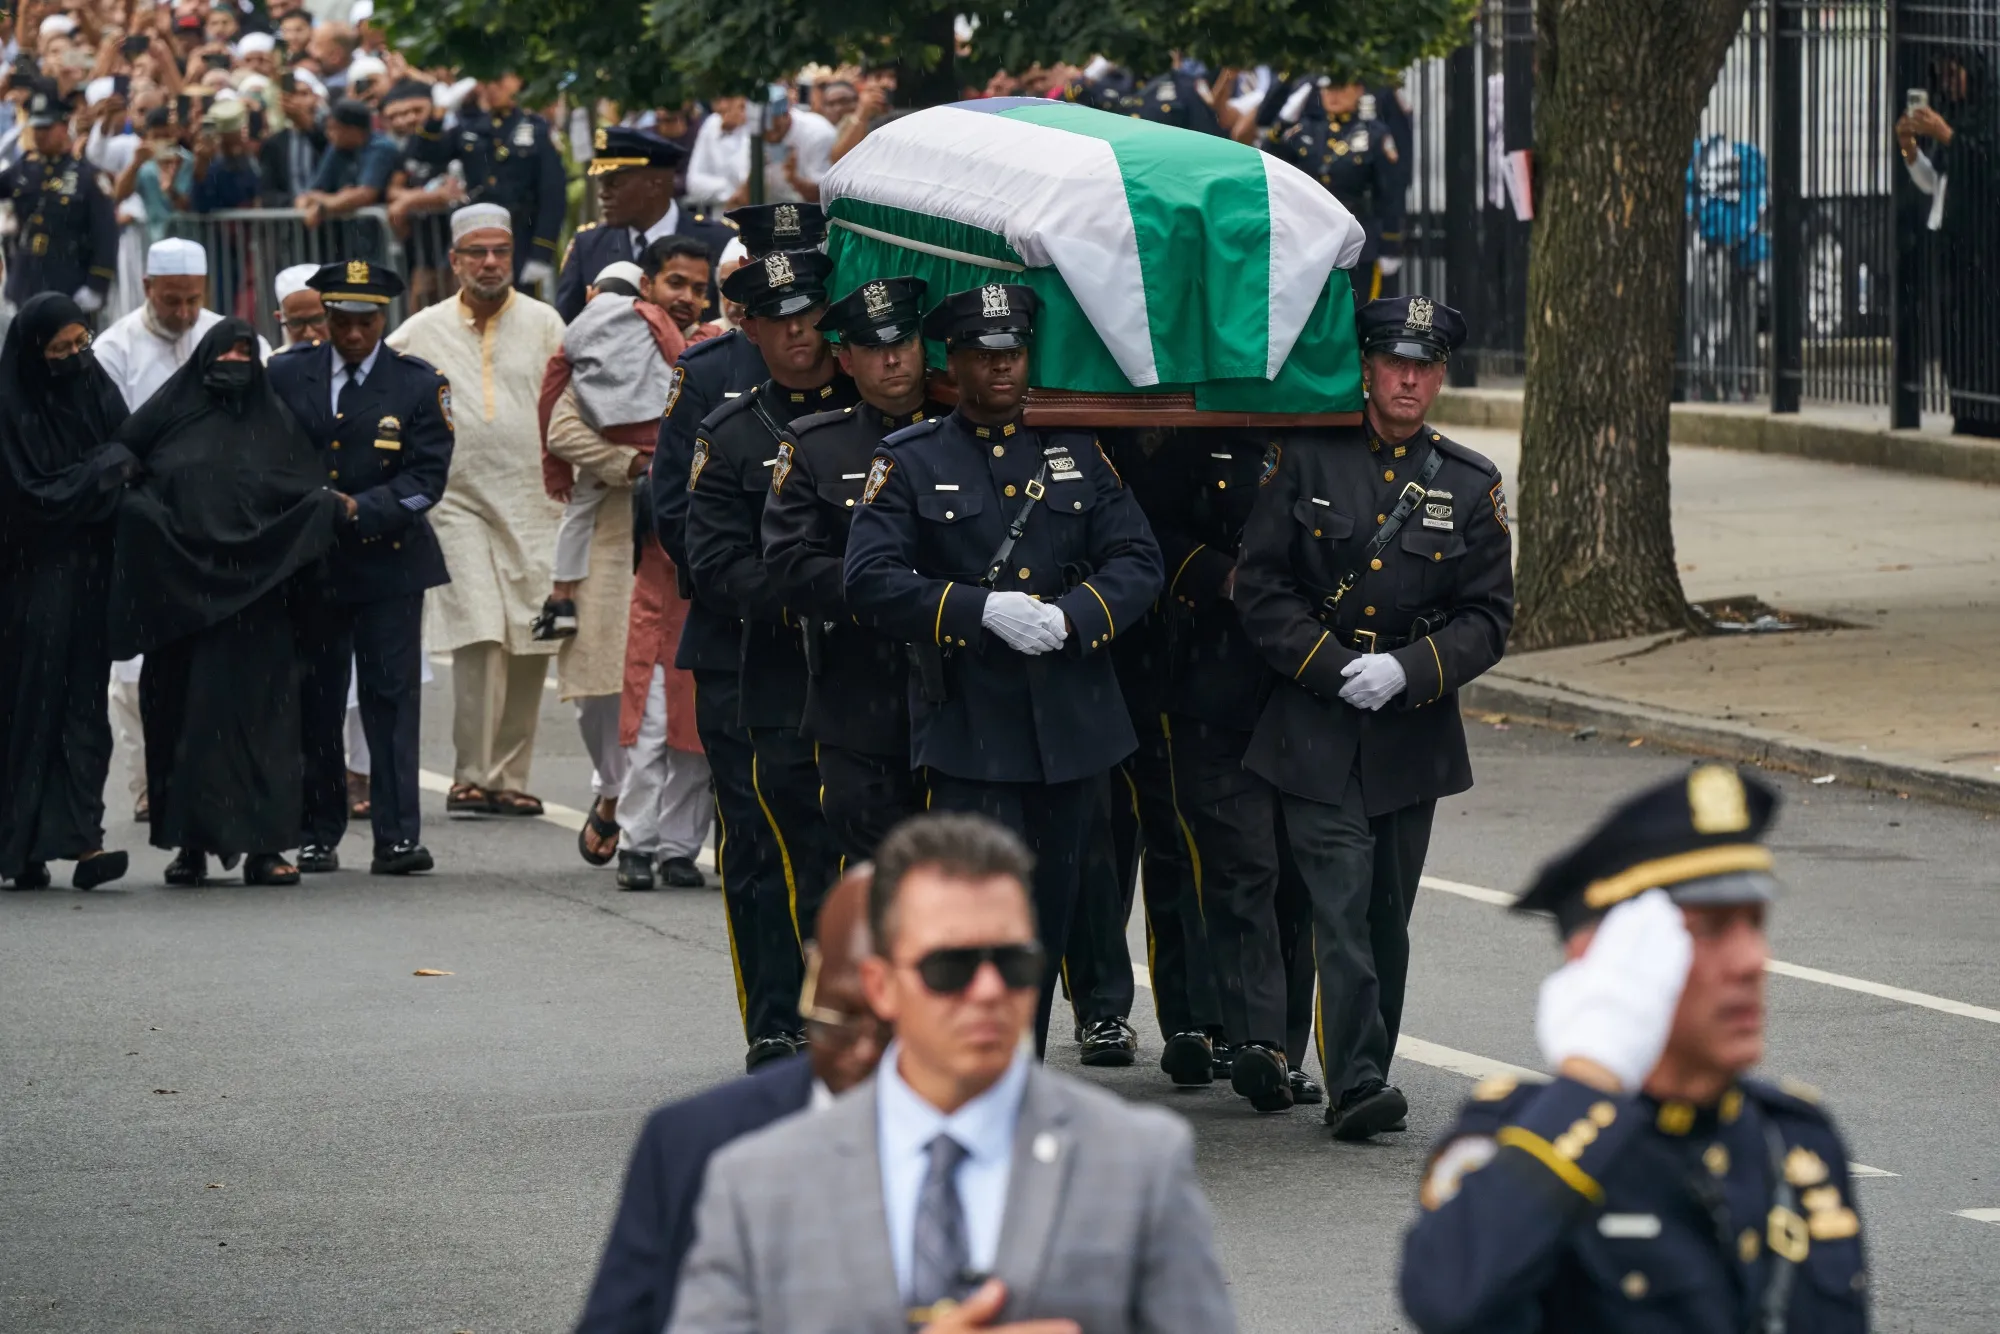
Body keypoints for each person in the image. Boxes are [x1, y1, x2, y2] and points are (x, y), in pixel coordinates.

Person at [669, 812, 1237, 1334]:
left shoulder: (1139, 1164)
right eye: (950, 967)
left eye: (1014, 963)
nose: (989, 991)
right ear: (880, 987)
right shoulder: (758, 1186)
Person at [1400, 766, 1868, 1332]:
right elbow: (1446, 1298)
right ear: (1610, 961)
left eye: (1755, 923)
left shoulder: (1793, 1138)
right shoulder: (1517, 1142)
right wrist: (1592, 1078)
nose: (1751, 960)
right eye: (1711, 929)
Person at [843, 284, 1165, 1056]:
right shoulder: (912, 459)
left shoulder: (1076, 452)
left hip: (1071, 724)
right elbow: (869, 578)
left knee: (1049, 909)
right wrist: (976, 611)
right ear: (955, 362)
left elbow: (1138, 560)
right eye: (985, 357)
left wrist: (1074, 615)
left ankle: (1019, 1061)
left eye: (1013, 355)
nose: (1001, 372)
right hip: (971, 725)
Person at [1232, 294, 1513, 1139]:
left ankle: (1363, 1067)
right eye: (1396, 362)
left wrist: (1407, 671)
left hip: (1409, 730)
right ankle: (1354, 1083)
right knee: (1340, 900)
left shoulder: (1469, 483)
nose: (1409, 379)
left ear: (1441, 378)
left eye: (1425, 367)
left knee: (1387, 913)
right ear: (1366, 368)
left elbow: (1488, 617)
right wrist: (1331, 665)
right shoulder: (1306, 461)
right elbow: (1262, 587)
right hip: (1314, 721)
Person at [575, 864, 888, 1334]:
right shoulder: (693, 1144)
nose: (865, 1046)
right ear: (818, 978)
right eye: (843, 1012)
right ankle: (770, 1026)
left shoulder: (1036, 1135)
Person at [685, 248, 854, 1067]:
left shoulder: (871, 412)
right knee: (764, 846)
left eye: (812, 316)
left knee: (856, 841)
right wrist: (814, 596)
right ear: (750, 329)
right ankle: (778, 1018)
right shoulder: (731, 430)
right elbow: (708, 560)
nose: (800, 335)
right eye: (780, 321)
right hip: (766, 659)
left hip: (864, 665)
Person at [108, 319, 341, 886]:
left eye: (246, 353)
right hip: (183, 606)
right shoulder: (170, 418)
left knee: (264, 729)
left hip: (259, 609)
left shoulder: (276, 425)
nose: (235, 362)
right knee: (183, 727)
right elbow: (124, 470)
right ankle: (190, 845)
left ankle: (267, 847)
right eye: (226, 352)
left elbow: (303, 493)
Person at [1142, 426, 1318, 1106]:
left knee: (1298, 875)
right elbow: (1146, 528)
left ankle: (1285, 1045)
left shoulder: (1333, 443)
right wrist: (1219, 576)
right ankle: (1256, 1041)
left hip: (1305, 687)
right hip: (1215, 682)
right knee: (1242, 865)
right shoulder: (1199, 441)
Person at [268, 259, 453, 876]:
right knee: (315, 701)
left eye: (366, 322)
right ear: (324, 316)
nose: (353, 334)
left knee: (389, 701)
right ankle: (316, 830)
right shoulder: (287, 374)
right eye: (342, 321)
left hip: (388, 562)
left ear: (385, 318)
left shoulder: (417, 383)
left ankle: (397, 836)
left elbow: (428, 480)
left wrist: (363, 508)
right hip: (311, 564)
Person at [386, 203, 565, 817]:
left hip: (535, 498)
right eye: (477, 254)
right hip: (456, 501)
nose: (490, 264)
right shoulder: (422, 330)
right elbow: (380, 385)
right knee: (480, 631)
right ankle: (472, 774)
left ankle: (509, 778)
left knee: (528, 638)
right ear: (455, 261)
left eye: (501, 253)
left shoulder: (546, 323)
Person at [542, 256, 710, 891]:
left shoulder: (715, 354)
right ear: (648, 289)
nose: (688, 299)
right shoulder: (615, 338)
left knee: (694, 727)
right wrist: (637, 463)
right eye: (676, 286)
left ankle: (673, 847)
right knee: (620, 709)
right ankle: (621, 815)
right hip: (625, 553)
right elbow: (562, 426)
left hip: (699, 565)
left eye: (701, 289)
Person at [761, 275, 941, 866]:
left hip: (960, 696)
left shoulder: (963, 437)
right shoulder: (815, 444)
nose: (893, 359)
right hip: (858, 689)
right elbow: (791, 562)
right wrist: (897, 595)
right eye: (873, 347)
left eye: (904, 342)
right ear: (844, 358)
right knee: (874, 881)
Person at [0, 294, 135, 891]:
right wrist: (103, 471)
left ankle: (84, 842)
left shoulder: (95, 388)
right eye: (60, 350)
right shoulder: (10, 409)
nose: (76, 358)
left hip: (88, 581)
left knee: (84, 711)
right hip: (24, 586)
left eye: (82, 344)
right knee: (25, 712)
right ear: (34, 354)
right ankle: (19, 848)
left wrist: (102, 473)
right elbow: (34, 498)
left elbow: (132, 451)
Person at [1896, 52, 1999, 437]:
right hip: (1952, 243)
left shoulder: (1989, 115)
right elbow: (1936, 180)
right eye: (1941, 75)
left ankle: (1989, 413)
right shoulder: (1952, 115)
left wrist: (1948, 136)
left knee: (1984, 333)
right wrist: (1909, 146)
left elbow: (1987, 165)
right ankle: (1966, 409)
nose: (1948, 82)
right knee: (1955, 335)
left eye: (1954, 73)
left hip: (1986, 245)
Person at [554, 124, 734, 322]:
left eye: (614, 183)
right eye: (602, 183)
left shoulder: (719, 241)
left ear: (655, 185)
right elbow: (567, 326)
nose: (603, 194)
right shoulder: (588, 245)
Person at [1263, 78, 1403, 304]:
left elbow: (1389, 193)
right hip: (1311, 238)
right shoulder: (1306, 130)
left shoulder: (1375, 134)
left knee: (1356, 310)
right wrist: (1283, 120)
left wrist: (1390, 245)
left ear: (1358, 89)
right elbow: (1271, 158)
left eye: (1340, 87)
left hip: (1357, 238)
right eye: (1328, 89)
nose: (1333, 95)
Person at [0, 83, 117, 316]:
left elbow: (106, 234)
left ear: (64, 127)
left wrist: (97, 285)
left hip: (69, 279)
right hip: (25, 280)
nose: (39, 134)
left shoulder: (87, 176)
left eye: (47, 127)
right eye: (36, 127)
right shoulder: (23, 169)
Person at [445, 74, 563, 289]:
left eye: (500, 81)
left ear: (518, 82)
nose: (493, 88)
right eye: (488, 81)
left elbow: (552, 195)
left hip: (521, 236)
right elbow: (425, 154)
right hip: (479, 234)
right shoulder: (470, 127)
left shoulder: (536, 129)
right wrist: (437, 114)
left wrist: (542, 252)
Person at [294, 97, 395, 232]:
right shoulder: (336, 148)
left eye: (333, 128)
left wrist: (323, 206)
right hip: (349, 238)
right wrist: (334, 199)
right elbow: (313, 192)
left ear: (353, 130)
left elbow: (365, 195)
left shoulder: (381, 148)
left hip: (382, 234)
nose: (328, 134)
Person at [271, 262, 328, 348]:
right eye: (296, 323)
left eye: (317, 320)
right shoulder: (271, 361)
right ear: (280, 318)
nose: (309, 334)